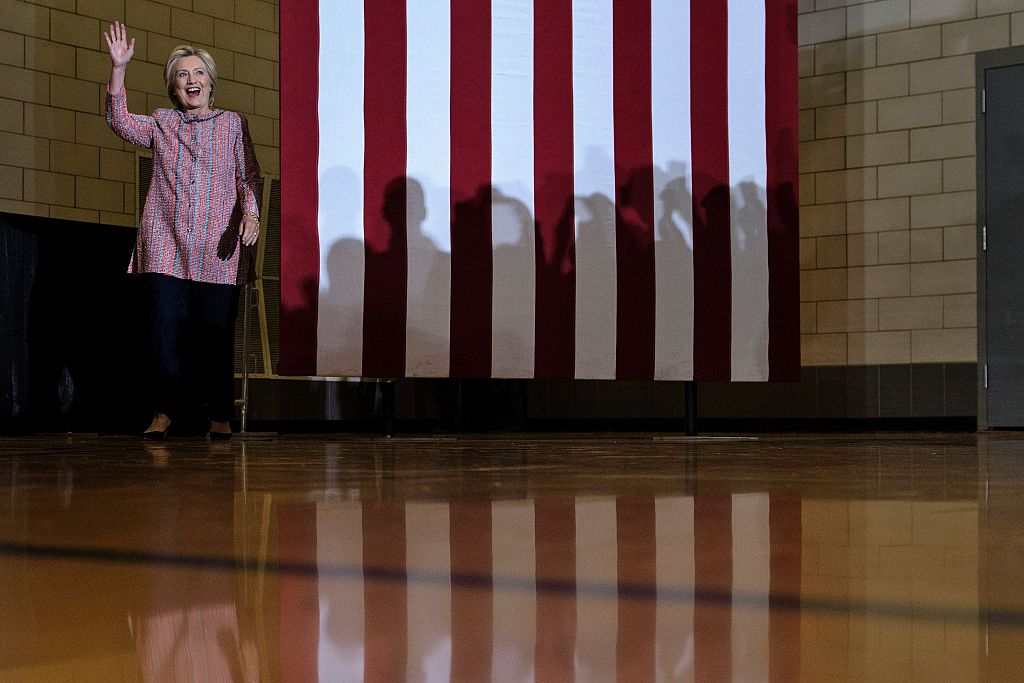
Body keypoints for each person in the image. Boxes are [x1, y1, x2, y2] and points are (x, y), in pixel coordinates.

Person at [104, 22, 262, 440]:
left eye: (198, 73)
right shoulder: (161, 123)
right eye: (182, 75)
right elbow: (119, 122)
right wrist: (119, 68)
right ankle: (162, 412)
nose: (191, 80)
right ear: (174, 89)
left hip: (219, 248)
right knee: (164, 335)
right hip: (165, 242)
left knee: (215, 335)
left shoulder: (232, 124)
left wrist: (252, 216)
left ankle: (219, 414)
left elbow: (249, 176)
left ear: (211, 83)